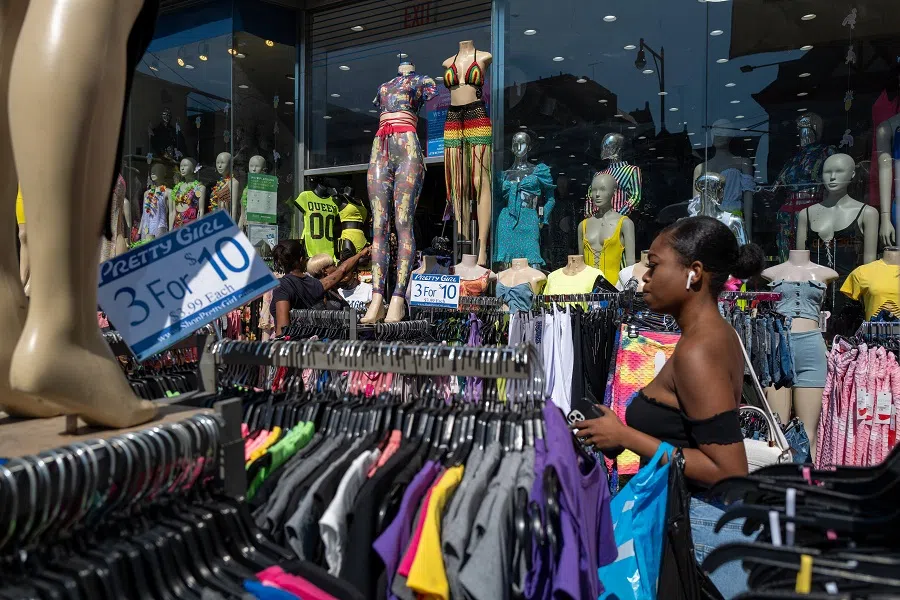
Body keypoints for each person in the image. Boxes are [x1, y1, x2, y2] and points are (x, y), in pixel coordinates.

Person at [571, 216, 765, 599]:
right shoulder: (710, 335)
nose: (643, 276)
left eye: (655, 265)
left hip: (695, 533)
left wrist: (625, 436)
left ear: (694, 273)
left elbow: (727, 470)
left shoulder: (699, 350)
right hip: (689, 524)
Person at [271, 239, 369, 335]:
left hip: (293, 347)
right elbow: (342, 270)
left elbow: (282, 330)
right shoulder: (315, 284)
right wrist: (360, 254)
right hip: (313, 344)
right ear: (301, 259)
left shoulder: (282, 286)